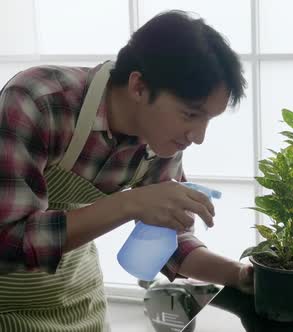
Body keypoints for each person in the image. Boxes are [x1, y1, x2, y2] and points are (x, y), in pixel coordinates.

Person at [0, 10, 252, 332]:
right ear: (138, 86)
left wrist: (240, 275)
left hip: (81, 304)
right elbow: (10, 240)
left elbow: (170, 243)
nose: (198, 137)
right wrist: (130, 203)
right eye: (190, 114)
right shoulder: (39, 101)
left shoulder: (160, 141)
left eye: (208, 120)